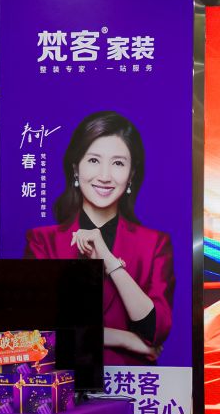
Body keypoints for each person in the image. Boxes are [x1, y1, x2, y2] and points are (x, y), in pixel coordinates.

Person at [24, 110, 174, 366]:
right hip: (64, 380)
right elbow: (39, 330)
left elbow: (155, 331)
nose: (105, 176)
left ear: (131, 174)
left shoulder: (154, 244)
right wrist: (124, 339)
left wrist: (108, 259)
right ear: (75, 167)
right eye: (94, 160)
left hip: (131, 383)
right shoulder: (42, 241)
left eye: (118, 163)